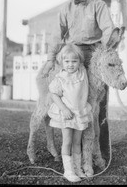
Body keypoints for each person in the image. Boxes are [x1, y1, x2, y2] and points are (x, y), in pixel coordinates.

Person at [43, 0, 115, 71]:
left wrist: (103, 53)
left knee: (98, 86)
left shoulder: (99, 5)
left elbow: (108, 29)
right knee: (68, 86)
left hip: (94, 53)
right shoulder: (66, 8)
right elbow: (56, 35)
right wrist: (50, 60)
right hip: (72, 54)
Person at [48, 43, 91, 182]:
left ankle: (77, 168)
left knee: (77, 142)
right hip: (67, 114)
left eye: (74, 61)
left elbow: (84, 61)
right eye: (67, 61)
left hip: (80, 113)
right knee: (67, 141)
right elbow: (54, 94)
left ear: (80, 62)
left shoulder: (82, 72)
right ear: (62, 61)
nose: (71, 64)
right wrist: (64, 109)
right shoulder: (60, 77)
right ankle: (68, 170)